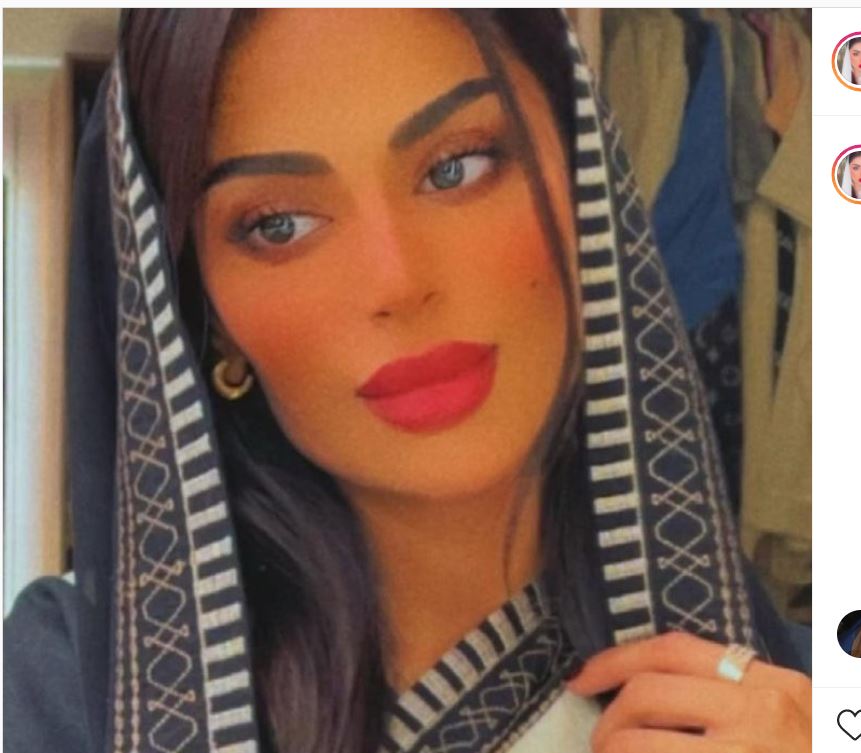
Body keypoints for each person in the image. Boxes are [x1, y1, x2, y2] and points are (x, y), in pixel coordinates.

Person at [2, 10, 812, 753]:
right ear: (205, 314)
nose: (396, 279)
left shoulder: (812, 701)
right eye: (280, 224)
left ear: (585, 189)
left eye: (456, 168)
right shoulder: (72, 688)